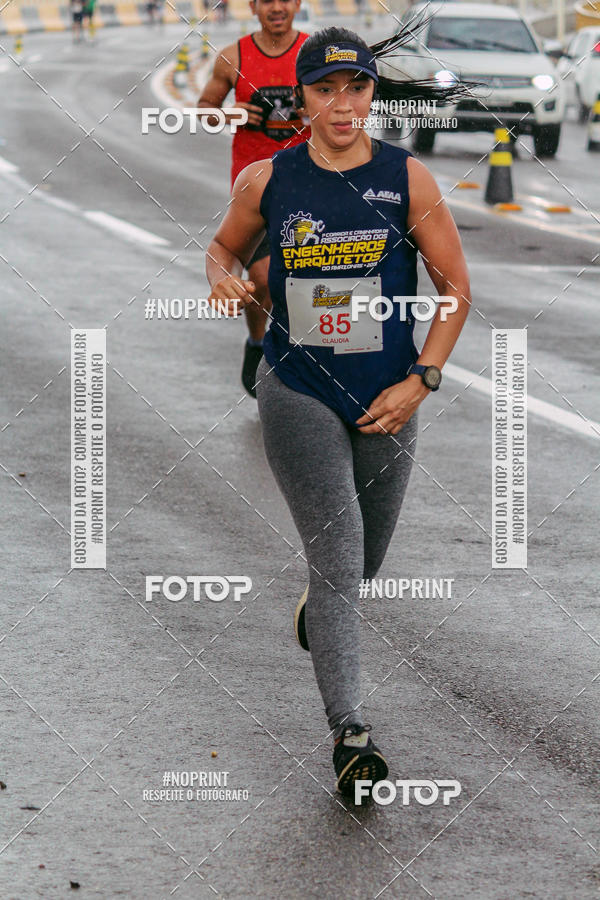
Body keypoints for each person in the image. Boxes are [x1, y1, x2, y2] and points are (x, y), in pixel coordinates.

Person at [205, 26, 471, 800]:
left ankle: (319, 612)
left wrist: (423, 378)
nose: (343, 104)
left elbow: (455, 288)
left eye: (356, 88)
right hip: (300, 392)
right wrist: (221, 277)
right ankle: (350, 732)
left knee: (364, 566)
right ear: (307, 99)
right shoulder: (268, 180)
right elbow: (221, 248)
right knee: (338, 560)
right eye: (326, 90)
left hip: (388, 397)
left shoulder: (407, 179)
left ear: (370, 94)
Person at [197, 0, 310, 397]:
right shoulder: (233, 57)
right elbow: (205, 110)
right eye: (267, 0)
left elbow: (344, 105)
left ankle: (301, 359)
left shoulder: (313, 54)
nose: (276, 7)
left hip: (310, 186)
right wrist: (232, 114)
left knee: (304, 281)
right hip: (255, 190)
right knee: (261, 279)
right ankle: (259, 343)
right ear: (253, 6)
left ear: (297, 4)